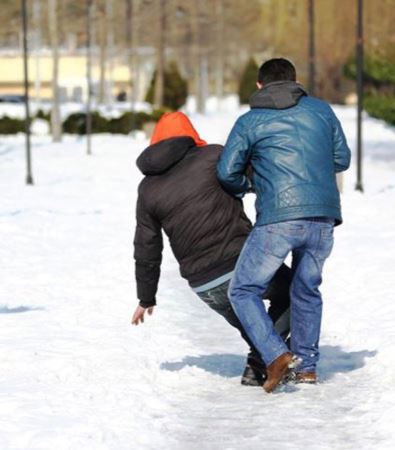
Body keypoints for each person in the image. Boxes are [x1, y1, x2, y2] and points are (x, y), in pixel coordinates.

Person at [217, 58, 351, 393]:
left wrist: (251, 184)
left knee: (243, 289)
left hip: (278, 218)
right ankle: (306, 367)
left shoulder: (249, 121)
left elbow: (226, 172)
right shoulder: (321, 111)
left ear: (259, 85)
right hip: (323, 216)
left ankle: (275, 354)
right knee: (306, 289)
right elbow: (342, 159)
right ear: (295, 81)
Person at [132, 111, 293, 386]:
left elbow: (146, 246)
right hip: (243, 262)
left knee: (254, 327)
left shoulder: (147, 189)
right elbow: (258, 178)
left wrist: (146, 297)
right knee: (294, 292)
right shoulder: (214, 157)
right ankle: (260, 360)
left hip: (203, 284)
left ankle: (259, 366)